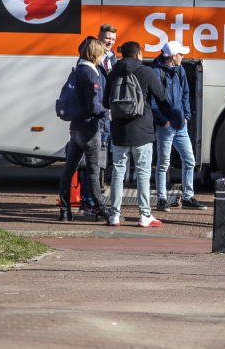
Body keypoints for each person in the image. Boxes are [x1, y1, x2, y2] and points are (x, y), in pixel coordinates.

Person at [103, 41, 168, 227]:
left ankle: (115, 215)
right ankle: (145, 215)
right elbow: (162, 96)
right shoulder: (146, 71)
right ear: (139, 54)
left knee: (118, 172)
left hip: (119, 131)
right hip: (142, 131)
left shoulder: (113, 72)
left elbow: (106, 103)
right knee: (143, 173)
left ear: (122, 54)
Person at [58, 39, 111, 222]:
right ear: (95, 55)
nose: (102, 58)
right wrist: (107, 113)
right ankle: (102, 210)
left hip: (76, 128)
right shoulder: (90, 73)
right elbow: (93, 105)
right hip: (90, 129)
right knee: (94, 172)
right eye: (101, 55)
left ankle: (65, 211)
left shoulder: (78, 70)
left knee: (69, 170)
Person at [152, 41, 206, 211]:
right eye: (181, 54)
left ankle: (188, 197)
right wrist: (163, 121)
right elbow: (153, 101)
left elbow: (186, 92)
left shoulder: (179, 69)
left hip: (180, 124)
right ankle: (161, 199)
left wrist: (186, 116)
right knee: (163, 163)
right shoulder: (157, 72)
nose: (183, 57)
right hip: (166, 125)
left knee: (189, 160)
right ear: (173, 56)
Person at [76, 24, 117, 215]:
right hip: (96, 117)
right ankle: (88, 202)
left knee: (99, 162)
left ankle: (93, 200)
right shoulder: (88, 58)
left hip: (105, 116)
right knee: (90, 163)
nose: (110, 42)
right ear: (99, 37)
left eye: (113, 39)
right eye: (107, 38)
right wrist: (104, 112)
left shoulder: (112, 57)